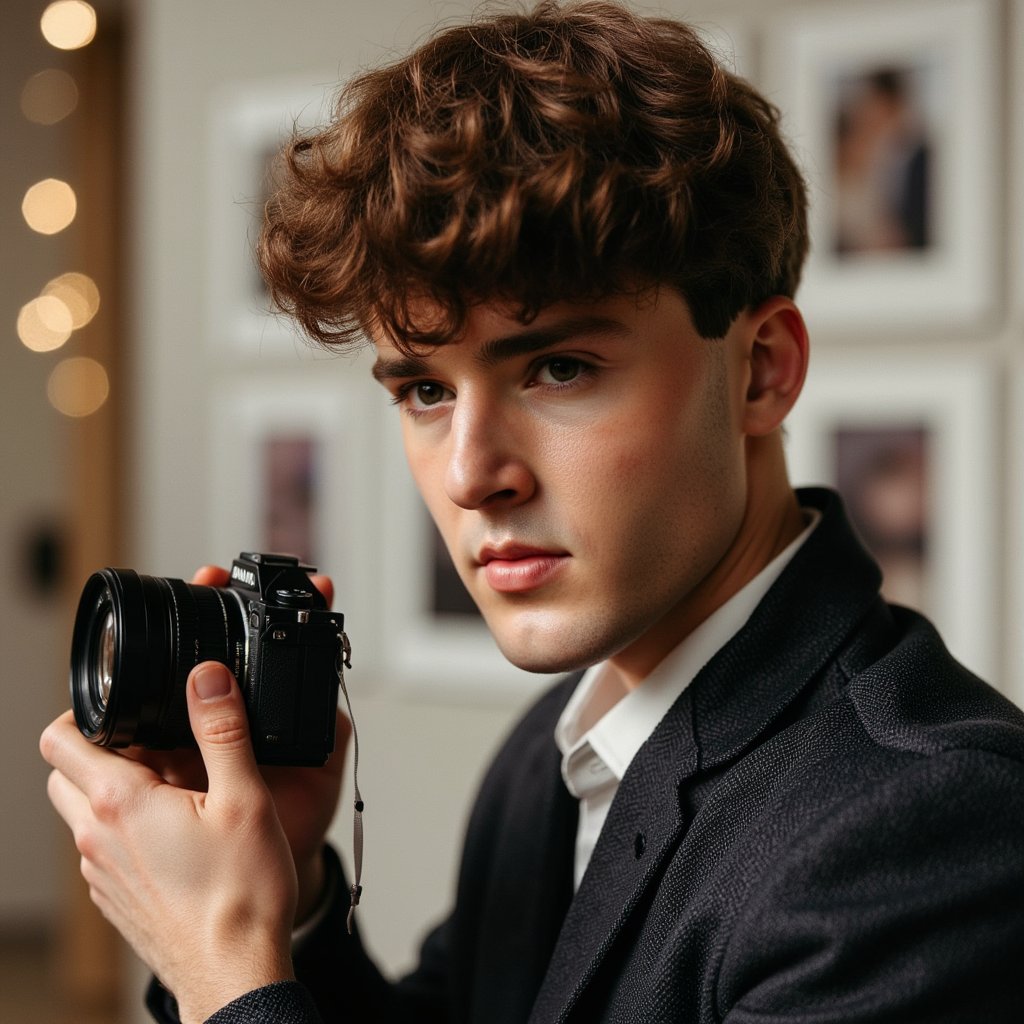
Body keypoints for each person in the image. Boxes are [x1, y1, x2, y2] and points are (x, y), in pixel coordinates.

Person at [40, 2, 1024, 1022]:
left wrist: (223, 977)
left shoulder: (933, 825)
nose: (471, 473)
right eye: (423, 389)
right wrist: (285, 906)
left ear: (761, 373)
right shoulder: (559, 747)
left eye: (558, 367)